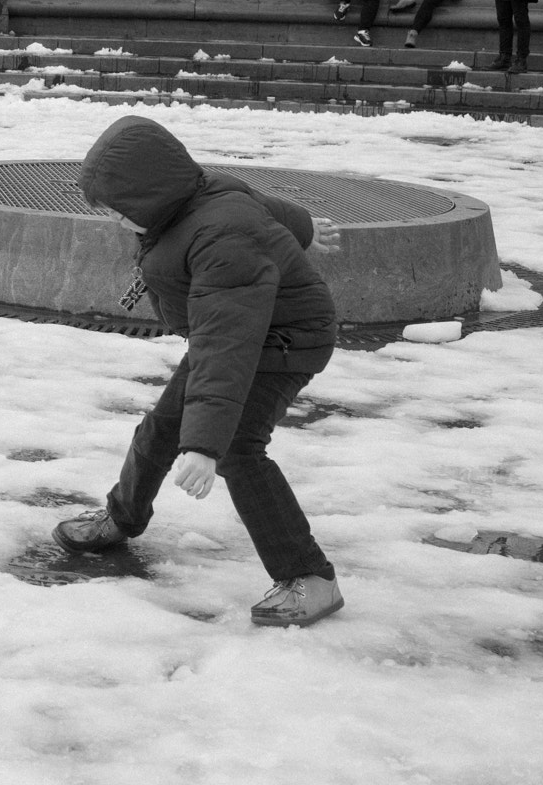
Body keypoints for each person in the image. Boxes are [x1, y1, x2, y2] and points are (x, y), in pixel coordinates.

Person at [55, 115, 344, 629]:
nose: (118, 224)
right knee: (162, 428)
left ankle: (310, 579)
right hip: (238, 333)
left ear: (152, 196)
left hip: (283, 342)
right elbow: (265, 207)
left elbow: (226, 343)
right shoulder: (197, 197)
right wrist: (304, 228)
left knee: (236, 449)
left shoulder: (220, 239)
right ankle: (120, 517)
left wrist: (205, 445)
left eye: (122, 214)